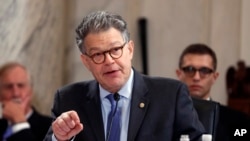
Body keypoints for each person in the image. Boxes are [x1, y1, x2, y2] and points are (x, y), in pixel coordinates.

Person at [44, 11, 205, 141]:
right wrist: (59, 138)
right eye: (98, 54)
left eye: (115, 50)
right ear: (86, 61)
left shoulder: (171, 95)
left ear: (130, 49)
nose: (109, 61)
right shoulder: (68, 99)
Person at [176, 43, 250, 141]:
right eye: (190, 69)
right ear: (179, 74)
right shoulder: (161, 117)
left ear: (215, 77)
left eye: (204, 70)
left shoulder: (238, 121)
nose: (196, 77)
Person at [0, 62, 52, 141]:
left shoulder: (51, 127)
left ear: (31, 91)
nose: (16, 93)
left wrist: (19, 122)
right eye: (9, 87)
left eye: (21, 85)